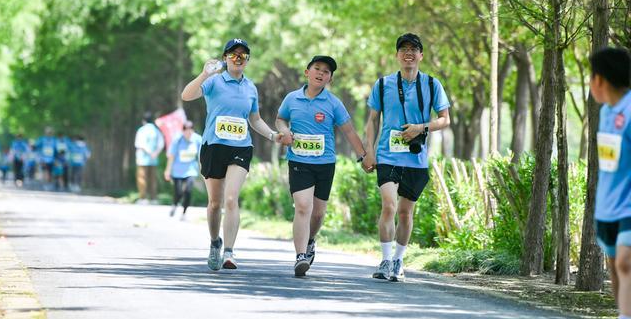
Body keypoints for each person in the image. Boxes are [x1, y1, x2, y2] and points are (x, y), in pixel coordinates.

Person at [182, 38, 284, 271]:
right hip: (213, 146)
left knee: (231, 198)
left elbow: (255, 119)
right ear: (225, 58)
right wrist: (203, 74)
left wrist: (272, 136)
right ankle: (215, 243)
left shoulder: (250, 87)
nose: (238, 59)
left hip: (240, 147)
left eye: (243, 56)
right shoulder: (214, 81)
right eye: (233, 55)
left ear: (247, 60)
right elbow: (187, 95)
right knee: (215, 203)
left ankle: (229, 251)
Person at [362, 33, 450, 282]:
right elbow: (372, 119)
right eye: (403, 49)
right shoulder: (382, 85)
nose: (408, 53)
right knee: (388, 206)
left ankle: (399, 261)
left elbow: (445, 119)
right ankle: (386, 260)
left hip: (416, 158)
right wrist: (369, 150)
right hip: (387, 155)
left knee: (405, 213)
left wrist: (420, 128)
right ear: (397, 55)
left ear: (421, 55)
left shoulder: (433, 85)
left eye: (414, 49)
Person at [275, 55, 367, 277]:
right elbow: (280, 119)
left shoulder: (333, 103)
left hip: (325, 163)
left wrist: (364, 156)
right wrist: (285, 131)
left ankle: (310, 241)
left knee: (318, 213)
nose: (321, 73)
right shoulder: (292, 98)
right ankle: (300, 257)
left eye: (326, 72)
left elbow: (349, 132)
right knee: (303, 207)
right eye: (317, 68)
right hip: (298, 161)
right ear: (307, 72)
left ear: (330, 78)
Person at [590, 47, 631, 319]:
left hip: (629, 206)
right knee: (615, 268)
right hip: (606, 208)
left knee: (626, 263)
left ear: (600, 79)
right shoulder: (606, 113)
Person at [164, 120, 202, 220]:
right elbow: (171, 156)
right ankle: (175, 204)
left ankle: (184, 213)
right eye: (186, 130)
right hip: (177, 171)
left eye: (190, 130)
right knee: (179, 192)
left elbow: (201, 156)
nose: (188, 133)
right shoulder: (177, 139)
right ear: (183, 131)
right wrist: (168, 170)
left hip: (191, 170)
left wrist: (203, 169)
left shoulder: (197, 139)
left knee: (188, 191)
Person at [134, 112, 164, 203]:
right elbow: (161, 144)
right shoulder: (156, 130)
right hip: (154, 159)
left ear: (143, 121)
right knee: (153, 179)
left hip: (142, 159)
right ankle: (153, 198)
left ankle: (143, 198)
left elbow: (140, 144)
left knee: (142, 178)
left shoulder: (141, 130)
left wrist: (149, 152)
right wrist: (155, 153)